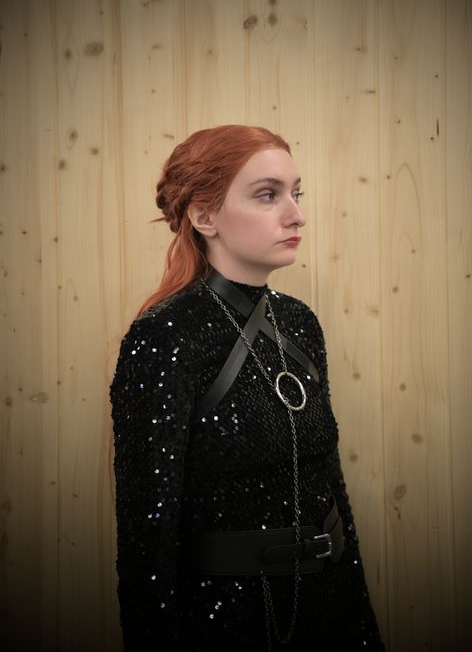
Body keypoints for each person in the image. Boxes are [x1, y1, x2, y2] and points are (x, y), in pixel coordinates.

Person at [109, 124, 384, 651]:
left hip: (331, 606)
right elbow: (147, 536)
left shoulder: (299, 322)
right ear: (204, 217)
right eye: (267, 195)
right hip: (226, 621)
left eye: (296, 193)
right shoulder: (166, 336)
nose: (297, 214)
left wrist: (363, 629)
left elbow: (327, 480)